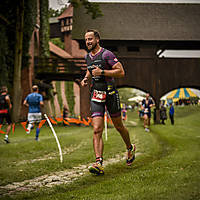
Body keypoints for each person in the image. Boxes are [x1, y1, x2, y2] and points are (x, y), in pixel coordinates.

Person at [81, 29, 136, 175]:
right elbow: (90, 69)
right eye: (86, 39)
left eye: (90, 39)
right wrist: (86, 78)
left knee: (119, 126)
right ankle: (98, 162)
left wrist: (103, 72)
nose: (88, 42)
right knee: (97, 128)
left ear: (97, 40)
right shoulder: (87, 57)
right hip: (96, 94)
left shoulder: (107, 54)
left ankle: (130, 148)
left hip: (111, 93)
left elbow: (121, 72)